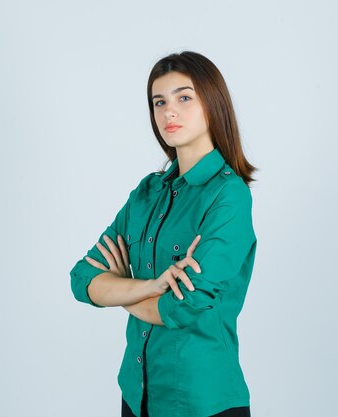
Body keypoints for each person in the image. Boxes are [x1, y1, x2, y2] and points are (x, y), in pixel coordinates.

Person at [69, 51, 258, 417]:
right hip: (137, 396)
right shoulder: (146, 194)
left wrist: (120, 293)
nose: (169, 111)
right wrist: (151, 287)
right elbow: (82, 279)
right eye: (159, 101)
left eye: (184, 97)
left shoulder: (229, 197)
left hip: (201, 401)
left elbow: (183, 306)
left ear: (212, 103)